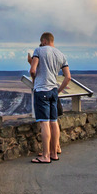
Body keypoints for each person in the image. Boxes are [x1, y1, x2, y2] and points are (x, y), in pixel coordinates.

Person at [28, 32, 71, 163]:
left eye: (41, 42)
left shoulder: (38, 50)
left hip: (42, 90)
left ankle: (45, 156)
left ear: (44, 41)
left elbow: (33, 70)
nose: (41, 44)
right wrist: (58, 90)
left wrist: (32, 67)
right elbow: (68, 77)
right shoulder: (61, 55)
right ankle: (54, 153)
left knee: (44, 123)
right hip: (53, 91)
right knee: (54, 122)